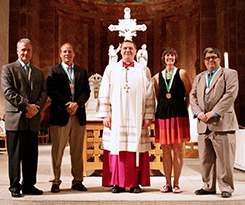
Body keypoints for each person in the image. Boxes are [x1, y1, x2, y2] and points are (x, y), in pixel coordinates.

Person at [97, 40, 155, 193]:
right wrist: (105, 115)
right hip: (116, 117)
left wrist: (149, 115)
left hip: (138, 118)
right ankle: (118, 183)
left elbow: (150, 94)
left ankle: (135, 183)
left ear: (136, 52)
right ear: (120, 51)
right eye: (125, 48)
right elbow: (104, 92)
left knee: (135, 149)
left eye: (131, 48)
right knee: (117, 149)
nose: (127, 51)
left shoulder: (143, 70)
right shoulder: (111, 69)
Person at [190, 47, 239, 198]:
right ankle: (208, 186)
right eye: (208, 58)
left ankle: (226, 187)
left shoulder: (229, 74)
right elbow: (193, 96)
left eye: (214, 57)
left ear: (219, 59)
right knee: (206, 159)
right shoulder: (200, 77)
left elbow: (230, 95)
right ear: (204, 61)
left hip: (222, 121)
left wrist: (214, 112)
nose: (211, 60)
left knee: (225, 159)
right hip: (203, 123)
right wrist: (199, 113)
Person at [1, 38, 47, 197]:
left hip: (32, 120)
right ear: (17, 51)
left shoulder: (39, 72)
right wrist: (27, 106)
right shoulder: (8, 69)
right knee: (15, 156)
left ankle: (29, 185)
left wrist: (35, 109)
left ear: (32, 52)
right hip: (16, 120)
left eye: (28, 50)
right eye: (23, 50)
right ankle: (14, 186)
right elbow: (8, 92)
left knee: (31, 156)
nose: (26, 53)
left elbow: (43, 93)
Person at [47, 42, 90, 193]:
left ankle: (77, 181)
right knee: (57, 150)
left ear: (74, 54)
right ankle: (55, 180)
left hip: (78, 115)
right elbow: (52, 91)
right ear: (60, 54)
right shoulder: (54, 71)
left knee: (77, 151)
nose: (67, 54)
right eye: (64, 52)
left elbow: (86, 91)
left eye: (70, 52)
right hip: (60, 114)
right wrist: (67, 105)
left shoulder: (81, 71)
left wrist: (77, 104)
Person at [154, 47, 191, 193]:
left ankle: (176, 183)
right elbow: (158, 96)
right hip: (163, 114)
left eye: (172, 55)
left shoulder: (182, 73)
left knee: (178, 149)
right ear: (163, 58)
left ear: (176, 57)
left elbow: (189, 93)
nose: (169, 57)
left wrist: (183, 109)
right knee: (166, 150)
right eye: (167, 55)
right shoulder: (157, 76)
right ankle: (167, 183)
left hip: (178, 114)